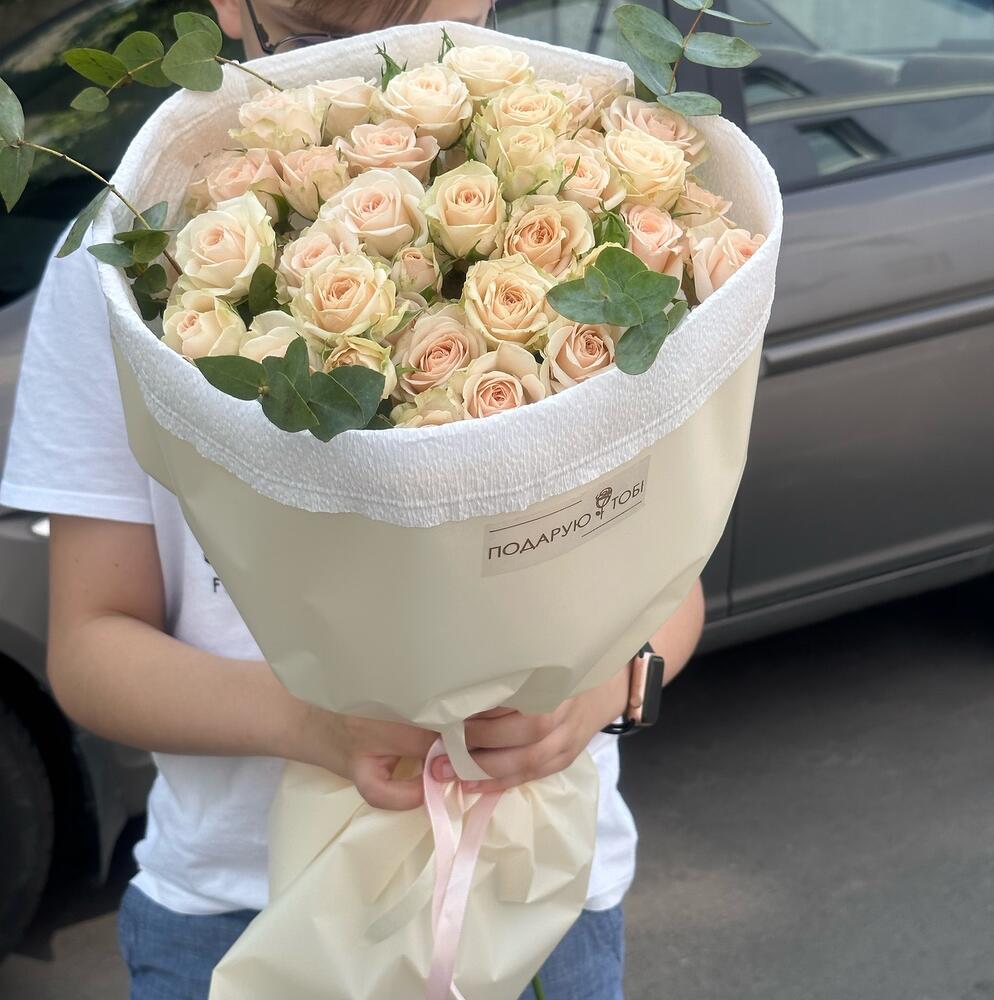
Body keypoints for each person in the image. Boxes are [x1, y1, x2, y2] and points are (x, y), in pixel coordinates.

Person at [0, 2, 706, 998]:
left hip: (542, 897)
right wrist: (313, 724)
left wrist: (601, 696)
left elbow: (669, 587)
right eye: (313, 30)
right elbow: (90, 647)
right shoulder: (125, 265)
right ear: (228, 8)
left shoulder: (613, 250)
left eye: (421, 17)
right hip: (241, 914)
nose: (374, 70)